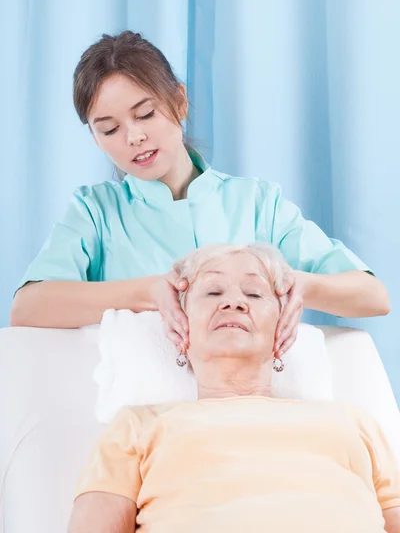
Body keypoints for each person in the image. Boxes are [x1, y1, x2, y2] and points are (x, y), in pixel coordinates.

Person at [11, 31, 390, 357]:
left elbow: (373, 297)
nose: (134, 137)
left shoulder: (256, 203)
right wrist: (148, 292)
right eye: (109, 129)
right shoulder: (96, 212)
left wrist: (302, 285)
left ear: (178, 101)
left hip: (249, 408)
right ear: (95, 138)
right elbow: (29, 307)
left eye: (145, 114)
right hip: (145, 421)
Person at [67, 243, 400, 533]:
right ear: (179, 326)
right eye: (213, 292)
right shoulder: (138, 427)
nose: (234, 303)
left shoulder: (354, 424)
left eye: (254, 294)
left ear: (283, 327)